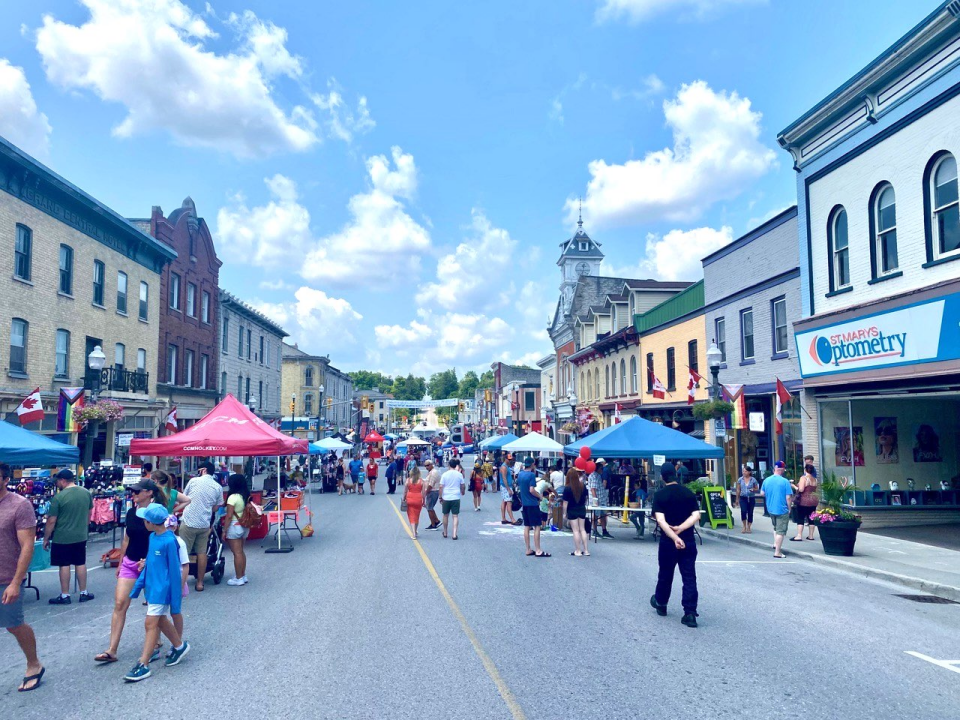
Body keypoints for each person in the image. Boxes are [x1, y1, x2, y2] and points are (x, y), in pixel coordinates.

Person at [95, 478, 168, 664]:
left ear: (149, 493)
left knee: (153, 605)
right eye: (133, 492)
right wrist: (121, 562)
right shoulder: (130, 512)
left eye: (137, 491)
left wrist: (152, 560)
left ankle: (156, 642)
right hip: (131, 561)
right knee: (120, 604)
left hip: (151, 564)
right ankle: (112, 649)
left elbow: (164, 539)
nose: (133, 494)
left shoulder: (158, 513)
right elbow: (126, 539)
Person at [124, 504, 190, 682]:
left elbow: (175, 571)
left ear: (150, 522)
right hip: (153, 587)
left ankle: (143, 663)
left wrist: (175, 596)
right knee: (159, 620)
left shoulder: (169, 541)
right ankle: (179, 646)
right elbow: (154, 560)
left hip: (162, 588)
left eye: (144, 519)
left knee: (150, 623)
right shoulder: (153, 537)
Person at [0, 463, 45, 692]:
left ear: (5, 479)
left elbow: (27, 546)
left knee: (14, 625)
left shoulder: (19, 505)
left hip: (6, 578)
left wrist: (16, 582)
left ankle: (34, 664)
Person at [650, 463, 701, 628]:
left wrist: (673, 536)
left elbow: (661, 521)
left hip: (668, 542)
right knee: (689, 576)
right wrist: (682, 528)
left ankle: (661, 602)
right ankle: (690, 612)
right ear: (676, 475)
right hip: (688, 540)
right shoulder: (688, 493)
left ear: (662, 477)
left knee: (665, 573)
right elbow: (696, 515)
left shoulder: (660, 495)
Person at [43, 469, 94, 604]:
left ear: (63, 480)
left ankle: (65, 595)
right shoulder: (86, 493)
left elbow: (51, 520)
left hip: (62, 535)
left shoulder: (59, 497)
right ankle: (84, 592)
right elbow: (89, 513)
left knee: (64, 564)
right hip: (80, 534)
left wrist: (46, 538)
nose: (57, 484)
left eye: (58, 481)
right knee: (80, 562)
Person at [179, 462, 223, 591]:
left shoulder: (193, 481)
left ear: (203, 470)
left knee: (184, 553)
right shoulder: (217, 487)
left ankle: (181, 583)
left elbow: (184, 498)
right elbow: (216, 507)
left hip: (188, 522)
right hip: (204, 523)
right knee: (202, 553)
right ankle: (200, 583)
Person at [761, 461, 794, 559]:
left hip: (770, 508)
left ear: (774, 469)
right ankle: (777, 552)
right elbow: (788, 497)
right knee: (781, 531)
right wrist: (789, 508)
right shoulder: (785, 482)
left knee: (775, 527)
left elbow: (762, 493)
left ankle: (776, 544)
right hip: (781, 509)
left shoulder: (766, 480)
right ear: (782, 469)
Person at [223, 474, 251, 586]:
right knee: (241, 551)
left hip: (234, 526)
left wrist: (224, 530)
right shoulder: (245, 495)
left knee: (236, 553)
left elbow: (229, 516)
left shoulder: (232, 497)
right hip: (244, 525)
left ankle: (238, 577)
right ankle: (242, 575)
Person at [517, 457, 548, 556]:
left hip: (525, 503)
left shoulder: (520, 474)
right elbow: (531, 490)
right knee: (537, 526)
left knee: (527, 526)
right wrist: (540, 496)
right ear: (532, 465)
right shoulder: (531, 475)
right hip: (532, 503)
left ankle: (528, 549)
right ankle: (538, 549)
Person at [562, 467, 589, 556]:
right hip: (581, 509)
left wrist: (564, 513)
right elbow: (585, 499)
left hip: (572, 510)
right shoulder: (582, 486)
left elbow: (565, 503)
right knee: (582, 529)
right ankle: (586, 550)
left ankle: (578, 550)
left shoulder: (567, 488)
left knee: (576, 531)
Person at [791, 464, 820, 542]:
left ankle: (799, 535)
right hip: (813, 500)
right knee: (811, 518)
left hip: (804, 501)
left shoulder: (803, 478)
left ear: (805, 470)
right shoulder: (815, 479)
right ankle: (811, 536)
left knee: (800, 518)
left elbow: (801, 489)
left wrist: (793, 486)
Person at [439, 459, 466, 540]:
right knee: (455, 515)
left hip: (446, 496)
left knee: (445, 515)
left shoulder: (445, 474)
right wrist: (462, 491)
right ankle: (454, 534)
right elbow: (462, 485)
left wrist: (440, 496)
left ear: (449, 465)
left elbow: (441, 486)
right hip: (456, 496)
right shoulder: (459, 475)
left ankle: (445, 532)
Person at [588, 460, 613, 539]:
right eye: (601, 468)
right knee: (595, 515)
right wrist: (595, 500)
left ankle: (604, 530)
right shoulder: (594, 476)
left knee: (603, 515)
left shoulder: (598, 475)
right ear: (598, 469)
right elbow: (593, 489)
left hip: (601, 499)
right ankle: (594, 530)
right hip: (597, 500)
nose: (602, 470)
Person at [734, 466, 760, 534]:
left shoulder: (753, 480)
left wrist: (753, 489)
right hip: (743, 498)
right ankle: (744, 526)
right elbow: (738, 489)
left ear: (749, 472)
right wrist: (737, 499)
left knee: (750, 512)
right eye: (743, 471)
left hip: (751, 498)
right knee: (743, 511)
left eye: (745, 471)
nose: (744, 472)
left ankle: (749, 527)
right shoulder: (740, 479)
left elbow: (757, 488)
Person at [403, 466, 425, 539]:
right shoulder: (421, 481)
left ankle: (413, 534)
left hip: (410, 498)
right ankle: (415, 530)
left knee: (411, 516)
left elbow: (405, 491)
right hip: (418, 499)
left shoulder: (408, 480)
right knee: (417, 516)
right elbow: (423, 493)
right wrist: (424, 500)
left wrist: (404, 499)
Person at [499, 458, 519, 526]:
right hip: (506, 487)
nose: (510, 461)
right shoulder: (504, 467)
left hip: (505, 486)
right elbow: (504, 478)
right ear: (506, 459)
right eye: (509, 459)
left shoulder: (506, 466)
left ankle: (503, 518)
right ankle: (512, 519)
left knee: (504, 502)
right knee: (509, 502)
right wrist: (508, 489)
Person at [424, 460, 442, 530]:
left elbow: (431, 484)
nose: (426, 467)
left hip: (432, 491)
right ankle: (436, 521)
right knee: (430, 507)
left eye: (428, 465)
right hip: (432, 491)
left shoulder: (434, 473)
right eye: (425, 466)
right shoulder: (431, 472)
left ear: (431, 464)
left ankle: (433, 524)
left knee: (429, 508)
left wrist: (426, 492)